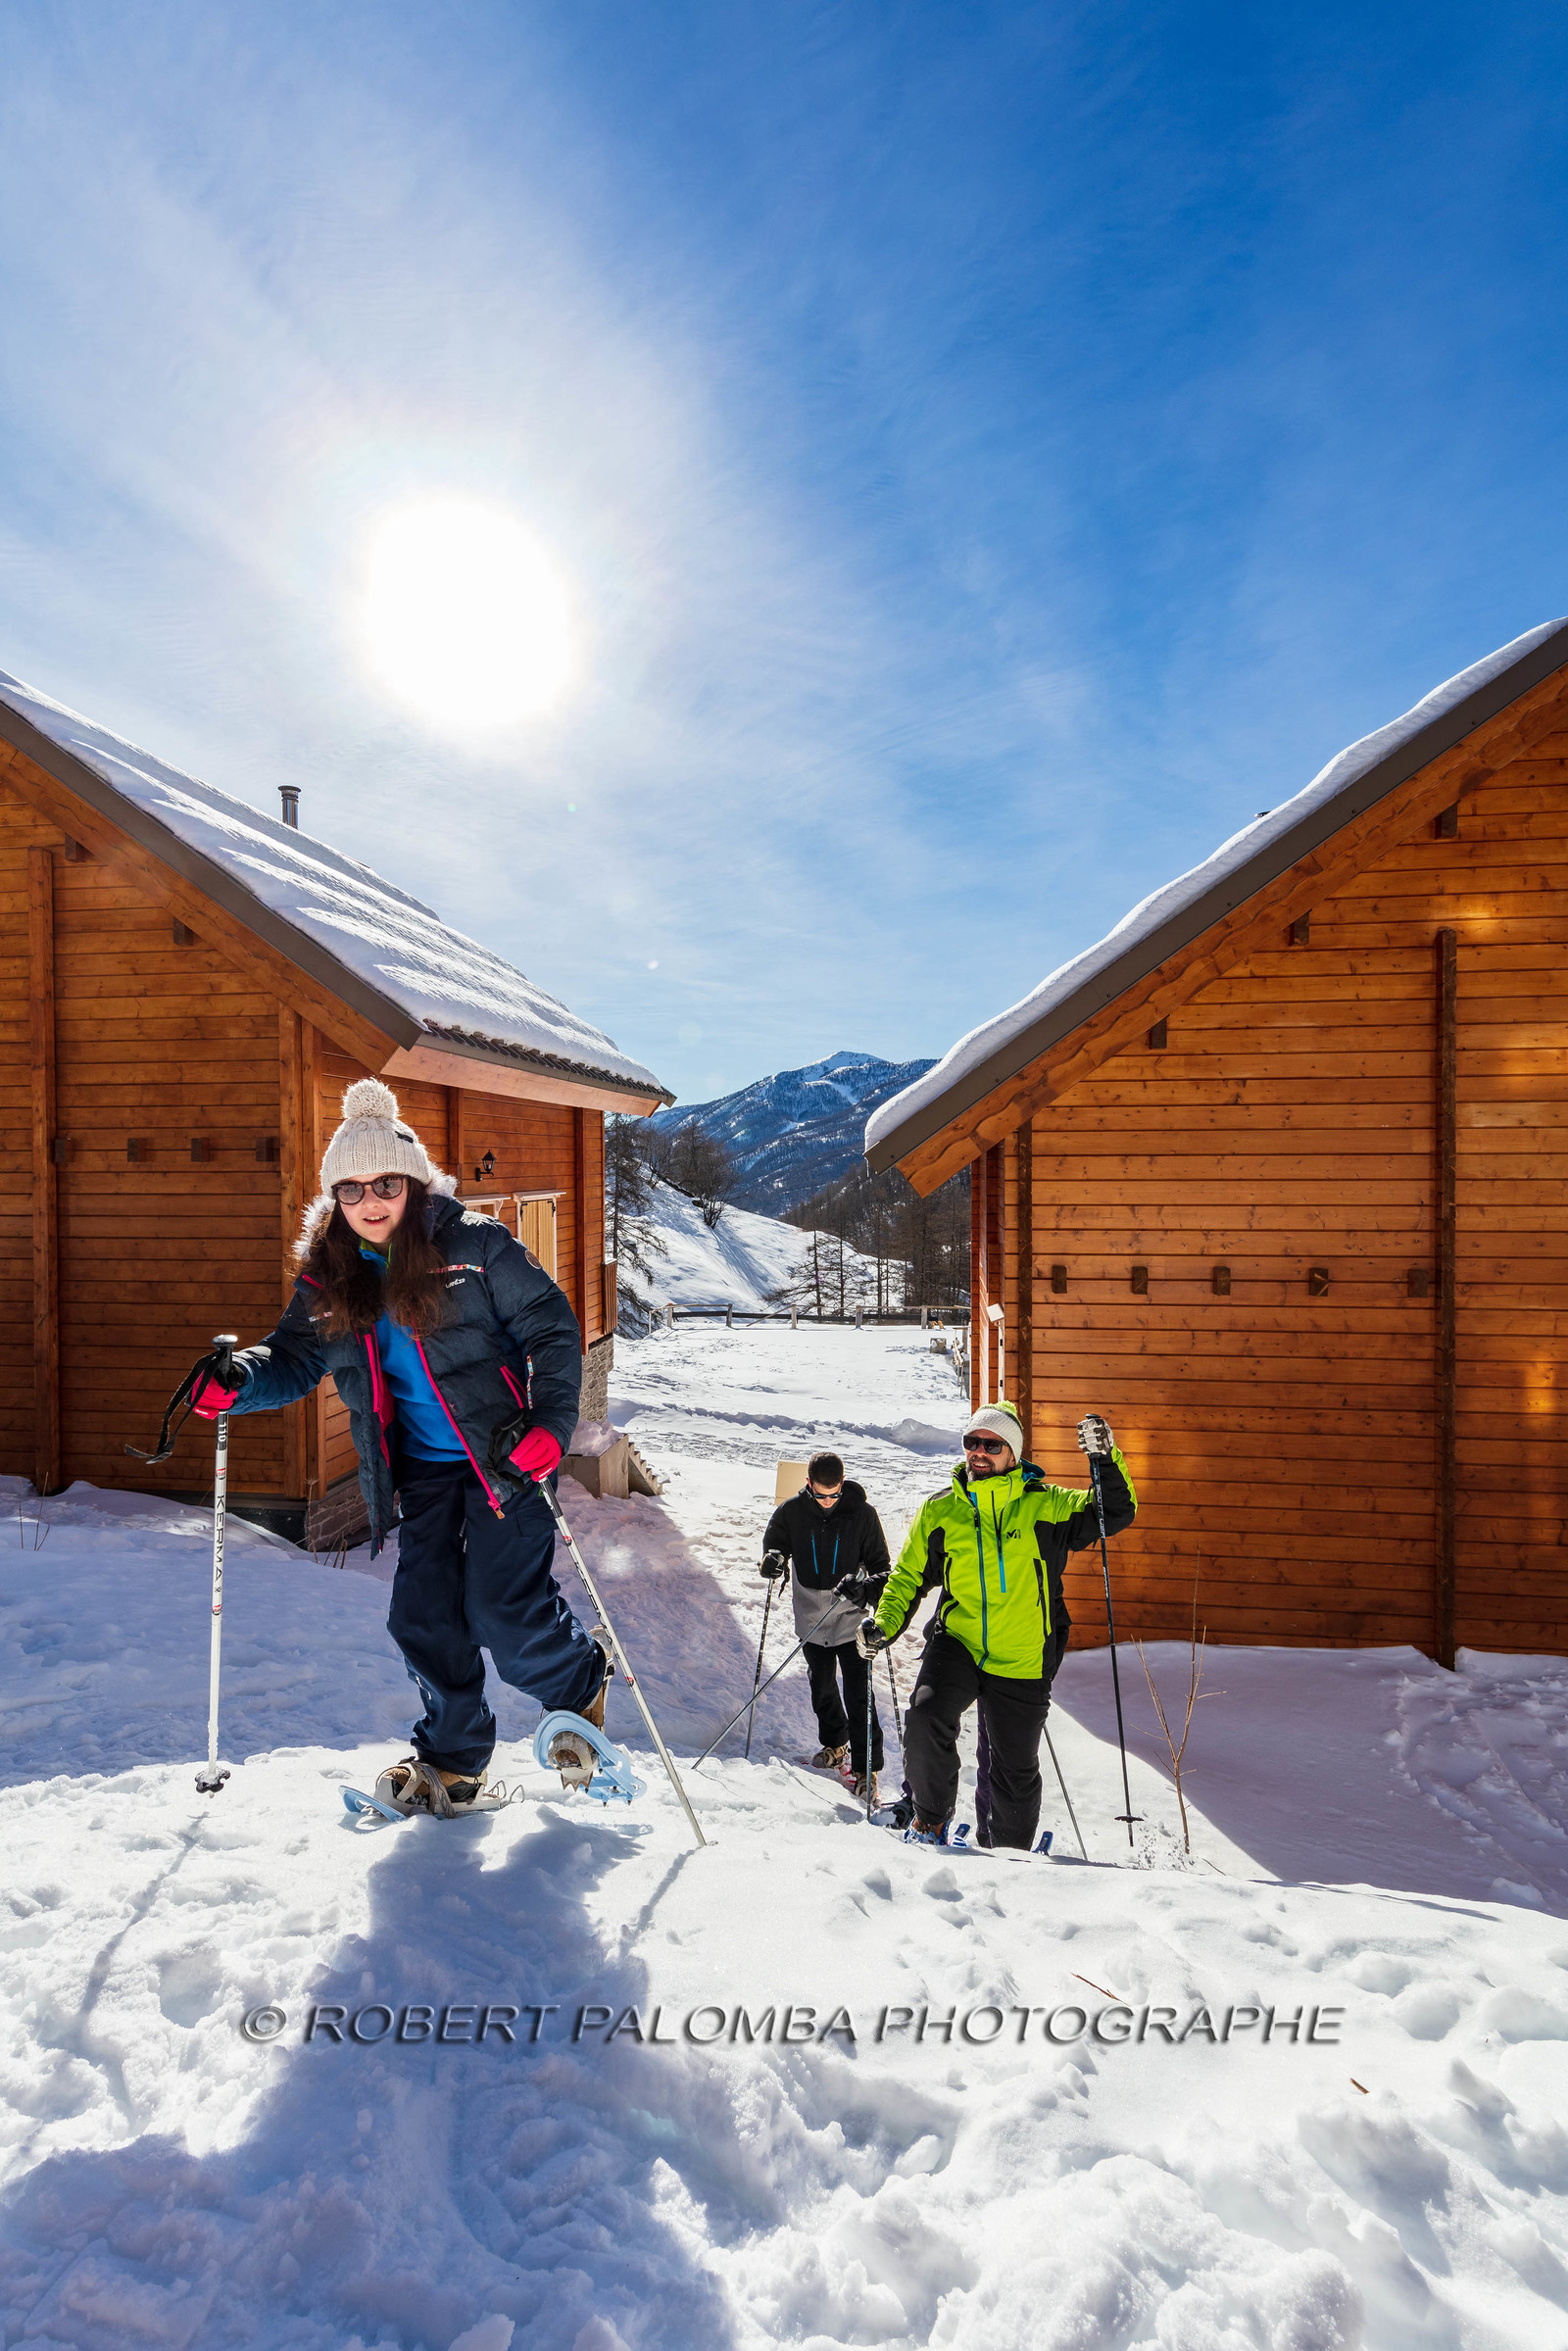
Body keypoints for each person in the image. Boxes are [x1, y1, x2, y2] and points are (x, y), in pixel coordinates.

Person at [183, 1078, 608, 1816]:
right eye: (350, 1188)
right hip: (423, 1471)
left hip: (503, 1457)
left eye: (384, 1182)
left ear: (411, 1181)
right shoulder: (333, 1274)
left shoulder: (475, 1247)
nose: (369, 1200)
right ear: (335, 1198)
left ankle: (578, 1686)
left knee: (503, 1612)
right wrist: (236, 1376)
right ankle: (453, 1758)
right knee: (420, 1617)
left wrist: (551, 1421)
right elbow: (292, 1355)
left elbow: (552, 1323)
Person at [858, 1401, 1136, 1849]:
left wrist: (1104, 1458)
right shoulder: (941, 1510)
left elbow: (1115, 1511)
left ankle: (1009, 1853)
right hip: (959, 1641)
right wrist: (883, 1625)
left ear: (1014, 1454)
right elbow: (909, 1576)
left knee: (1013, 1768)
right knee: (926, 1717)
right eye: (972, 1442)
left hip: (1024, 1651)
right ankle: (929, 1819)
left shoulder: (1048, 1505)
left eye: (992, 1444)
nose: (979, 1452)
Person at [760, 1450, 890, 1801]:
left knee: (858, 1693)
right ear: (808, 1485)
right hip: (811, 1617)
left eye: (835, 1493)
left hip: (849, 1618)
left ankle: (866, 1769)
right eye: (821, 1494)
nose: (829, 1501)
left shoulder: (863, 1515)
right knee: (822, 1689)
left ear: (843, 1484)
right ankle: (835, 1745)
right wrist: (772, 1559)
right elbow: (775, 1545)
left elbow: (882, 1570)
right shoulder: (791, 1512)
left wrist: (865, 1588)